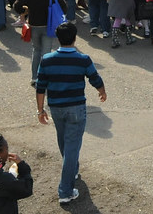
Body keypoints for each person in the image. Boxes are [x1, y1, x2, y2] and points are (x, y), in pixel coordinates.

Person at [36, 22, 107, 204]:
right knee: (72, 148)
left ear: (58, 38)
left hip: (56, 107)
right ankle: (65, 191)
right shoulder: (83, 59)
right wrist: (102, 91)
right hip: (76, 108)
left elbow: (40, 86)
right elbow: (95, 78)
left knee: (63, 140)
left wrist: (40, 109)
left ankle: (72, 169)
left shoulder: (47, 59)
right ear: (75, 38)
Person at [13, 0, 68, 87]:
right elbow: (64, 7)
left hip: (33, 25)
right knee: (46, 53)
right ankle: (45, 78)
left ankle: (34, 77)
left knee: (36, 51)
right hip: (49, 26)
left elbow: (16, 6)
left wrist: (25, 11)